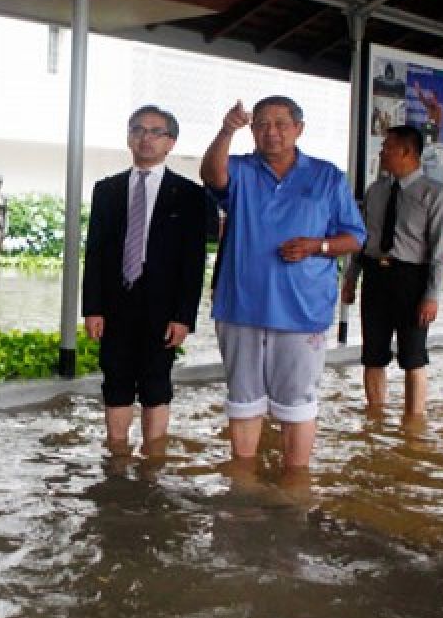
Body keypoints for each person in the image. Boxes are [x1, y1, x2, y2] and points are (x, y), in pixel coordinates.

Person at [202, 97, 365, 470]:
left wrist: (317, 246)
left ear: (299, 129)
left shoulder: (327, 176)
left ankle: (295, 485)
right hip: (241, 305)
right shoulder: (240, 169)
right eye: (261, 124)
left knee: (298, 403)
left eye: (280, 123)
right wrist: (227, 130)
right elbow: (212, 176)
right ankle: (242, 481)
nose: (270, 132)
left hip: (303, 309)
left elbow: (355, 237)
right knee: (242, 399)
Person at [82, 105, 209, 457]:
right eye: (138, 130)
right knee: (116, 379)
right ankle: (117, 457)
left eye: (155, 132)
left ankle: (154, 459)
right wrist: (92, 308)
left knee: (156, 381)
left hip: (163, 307)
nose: (146, 138)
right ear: (128, 138)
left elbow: (193, 262)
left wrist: (184, 316)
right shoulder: (106, 190)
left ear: (171, 142)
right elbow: (94, 253)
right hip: (115, 301)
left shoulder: (189, 194)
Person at [342, 125, 443, 417]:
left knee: (413, 357)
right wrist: (351, 279)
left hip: (411, 280)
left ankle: (414, 424)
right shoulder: (376, 191)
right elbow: (362, 237)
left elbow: (440, 252)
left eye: (387, 147)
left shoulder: (435, 196)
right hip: (375, 276)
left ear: (407, 152)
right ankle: (375, 419)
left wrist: (432, 296)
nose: (381, 152)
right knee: (372, 354)